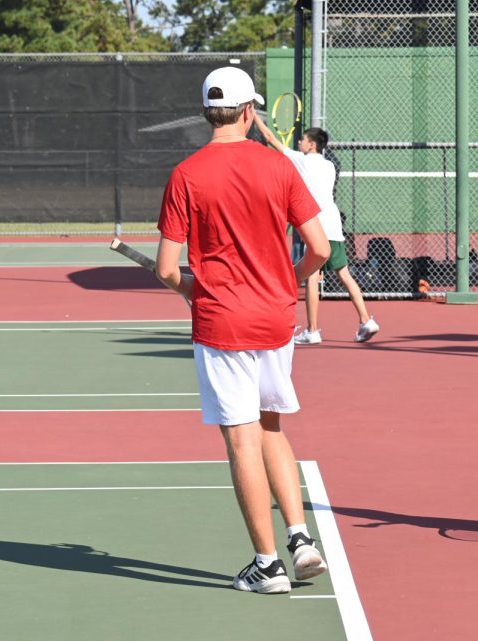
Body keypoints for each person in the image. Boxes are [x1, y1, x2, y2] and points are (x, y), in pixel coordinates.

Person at [155, 66, 331, 594]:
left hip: (221, 322)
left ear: (208, 112)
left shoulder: (186, 174)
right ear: (250, 112)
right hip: (276, 319)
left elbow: (167, 269)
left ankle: (268, 564)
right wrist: (285, 282)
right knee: (271, 426)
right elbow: (319, 249)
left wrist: (192, 288)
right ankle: (300, 538)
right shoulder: (279, 167)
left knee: (241, 441)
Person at [254, 114, 379, 344]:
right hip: (333, 223)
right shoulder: (330, 165)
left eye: (302, 139)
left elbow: (270, 137)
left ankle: (312, 331)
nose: (299, 142)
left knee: (312, 275)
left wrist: (252, 113)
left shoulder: (302, 160)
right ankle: (366, 320)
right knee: (344, 274)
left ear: (312, 145)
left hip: (317, 226)